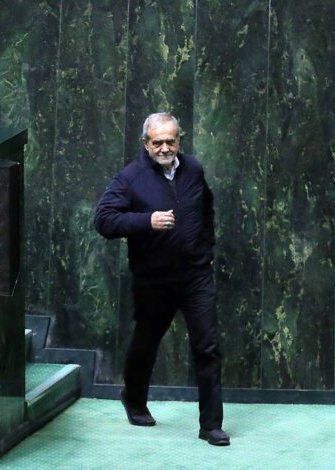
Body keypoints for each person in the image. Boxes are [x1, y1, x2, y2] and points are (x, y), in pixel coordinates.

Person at [94, 112, 229, 446]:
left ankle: (211, 425)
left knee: (207, 347)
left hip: (196, 275)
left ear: (179, 140)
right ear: (145, 143)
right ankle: (134, 399)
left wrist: (207, 248)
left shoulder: (193, 169)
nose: (165, 148)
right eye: (158, 142)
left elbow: (206, 208)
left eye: (171, 141)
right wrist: (147, 221)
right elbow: (104, 220)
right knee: (146, 342)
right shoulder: (130, 178)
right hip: (154, 279)